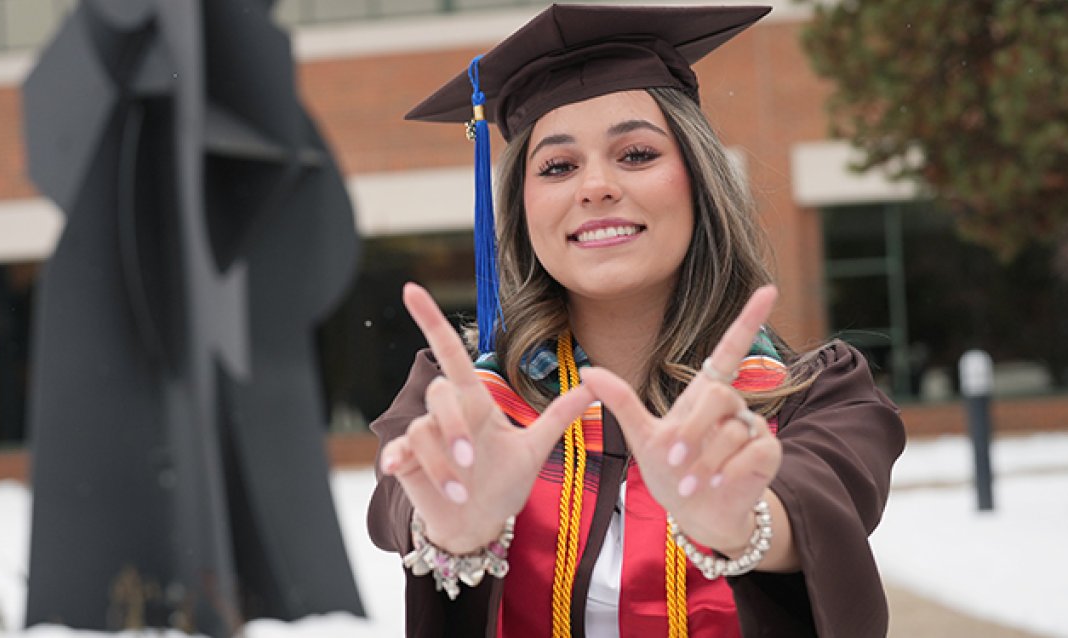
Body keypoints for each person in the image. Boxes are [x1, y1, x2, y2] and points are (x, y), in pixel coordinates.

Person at [365, 4, 906, 637]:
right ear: (522, 208)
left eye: (637, 154)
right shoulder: (462, 400)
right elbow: (404, 495)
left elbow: (822, 495)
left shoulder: (817, 396)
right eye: (558, 166)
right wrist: (454, 531)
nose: (594, 187)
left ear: (698, 182)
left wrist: (742, 521)